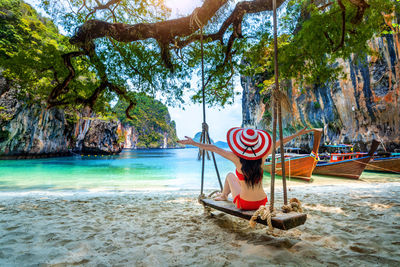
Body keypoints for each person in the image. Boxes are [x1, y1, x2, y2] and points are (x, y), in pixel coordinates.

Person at [178, 127, 315, 210]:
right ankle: (224, 195)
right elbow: (280, 142)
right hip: (262, 202)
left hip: (245, 204)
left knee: (231, 175)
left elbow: (214, 148)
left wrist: (194, 143)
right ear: (257, 145)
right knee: (239, 180)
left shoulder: (237, 159)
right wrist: (298, 134)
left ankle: (224, 195)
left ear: (240, 145)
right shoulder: (262, 158)